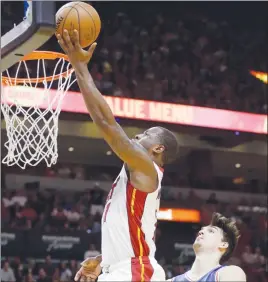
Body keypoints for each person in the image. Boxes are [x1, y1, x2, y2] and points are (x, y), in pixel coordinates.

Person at [57, 30, 179, 282]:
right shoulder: (137, 173)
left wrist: (80, 67)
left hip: (136, 271)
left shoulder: (146, 167)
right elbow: (131, 231)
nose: (137, 137)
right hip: (124, 269)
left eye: (146, 134)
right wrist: (104, 261)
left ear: (158, 149)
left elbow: (105, 122)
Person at [169, 213, 247, 282]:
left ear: (223, 244)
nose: (201, 232)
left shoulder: (230, 273)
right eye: (202, 230)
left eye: (211, 231)